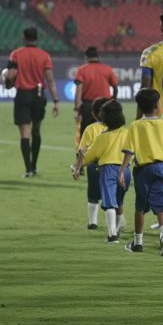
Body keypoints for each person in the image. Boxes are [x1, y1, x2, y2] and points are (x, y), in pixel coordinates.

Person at [119, 88, 163, 257]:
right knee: (162, 203)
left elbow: (129, 151)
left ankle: (138, 242)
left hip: (142, 170)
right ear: (157, 105)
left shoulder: (135, 125)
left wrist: (122, 170)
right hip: (161, 168)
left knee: (140, 206)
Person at [2, 26, 59, 178]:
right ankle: (34, 166)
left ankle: (28, 169)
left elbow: (11, 75)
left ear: (23, 37)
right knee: (36, 130)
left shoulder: (16, 54)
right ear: (37, 38)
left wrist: (5, 79)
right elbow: (50, 80)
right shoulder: (44, 56)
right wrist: (56, 100)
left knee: (25, 133)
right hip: (38, 95)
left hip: (22, 95)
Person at [72, 100, 129, 244]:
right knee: (119, 201)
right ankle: (117, 229)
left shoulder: (101, 136)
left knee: (109, 203)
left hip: (108, 170)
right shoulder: (127, 133)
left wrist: (78, 167)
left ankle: (112, 235)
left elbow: (88, 156)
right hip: (125, 171)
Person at [75, 97, 110, 230]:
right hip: (112, 166)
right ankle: (116, 224)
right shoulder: (115, 128)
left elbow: (83, 151)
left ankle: (92, 222)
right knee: (111, 196)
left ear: (93, 114)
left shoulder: (90, 129)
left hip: (94, 166)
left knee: (93, 195)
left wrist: (78, 168)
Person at [73, 47, 119, 134]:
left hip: (88, 106)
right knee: (106, 132)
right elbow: (115, 88)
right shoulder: (107, 69)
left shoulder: (82, 70)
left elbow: (79, 90)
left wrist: (77, 109)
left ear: (86, 57)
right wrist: (113, 102)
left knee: (87, 133)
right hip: (105, 105)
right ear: (98, 56)